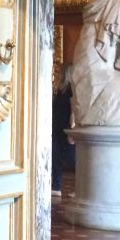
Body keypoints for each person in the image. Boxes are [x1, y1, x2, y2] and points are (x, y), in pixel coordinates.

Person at [52, 64, 75, 196]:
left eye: (59, 72)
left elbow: (73, 111)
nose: (57, 74)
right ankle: (56, 186)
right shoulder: (60, 89)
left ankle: (82, 188)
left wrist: (72, 129)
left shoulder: (71, 89)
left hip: (66, 128)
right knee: (56, 157)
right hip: (57, 126)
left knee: (73, 159)